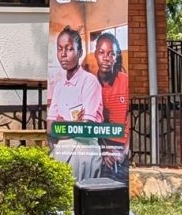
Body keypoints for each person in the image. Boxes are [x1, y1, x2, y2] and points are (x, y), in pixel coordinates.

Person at [47, 26, 103, 181]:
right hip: (62, 149)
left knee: (81, 198)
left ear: (80, 52)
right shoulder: (59, 86)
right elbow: (50, 127)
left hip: (84, 151)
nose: (63, 54)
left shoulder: (89, 82)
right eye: (60, 49)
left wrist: (63, 126)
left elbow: (86, 128)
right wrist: (73, 124)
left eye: (69, 49)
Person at [93, 32, 130, 182]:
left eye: (111, 54)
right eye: (101, 53)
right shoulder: (90, 84)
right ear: (95, 54)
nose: (106, 58)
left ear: (117, 56)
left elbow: (132, 119)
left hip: (123, 146)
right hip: (99, 145)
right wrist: (104, 150)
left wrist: (123, 152)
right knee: (101, 180)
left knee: (122, 181)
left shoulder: (126, 82)